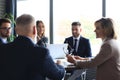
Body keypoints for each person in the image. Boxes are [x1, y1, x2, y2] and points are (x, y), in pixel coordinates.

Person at [0, 14, 65, 80]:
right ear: (34, 29)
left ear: (16, 30)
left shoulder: (2, 49)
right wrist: (60, 65)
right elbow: (58, 76)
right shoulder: (41, 53)